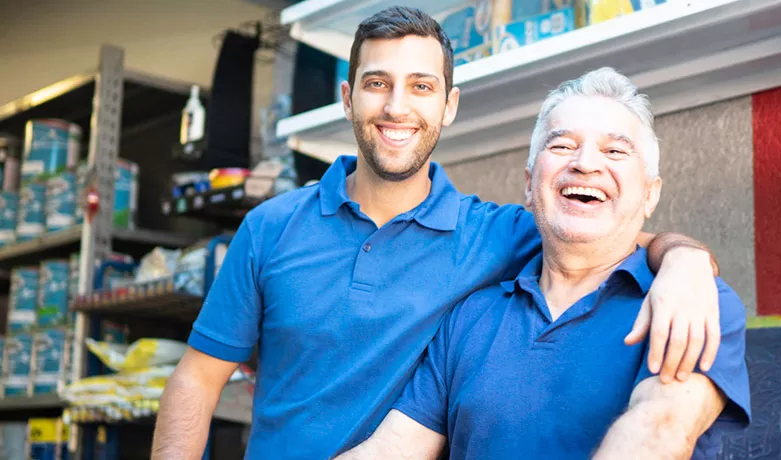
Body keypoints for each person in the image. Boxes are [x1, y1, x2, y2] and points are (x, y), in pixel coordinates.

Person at [152, 7, 726, 460]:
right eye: (377, 83)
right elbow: (197, 381)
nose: (397, 107)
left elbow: (604, 234)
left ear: (449, 106)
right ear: (349, 98)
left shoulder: (495, 234)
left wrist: (685, 262)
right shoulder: (269, 228)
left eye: (421, 87)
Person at [335, 68, 750, 460]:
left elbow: (656, 434)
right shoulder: (470, 316)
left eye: (615, 150)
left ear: (650, 194)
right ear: (530, 185)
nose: (585, 163)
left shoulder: (694, 300)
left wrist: (684, 260)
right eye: (562, 145)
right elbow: (393, 448)